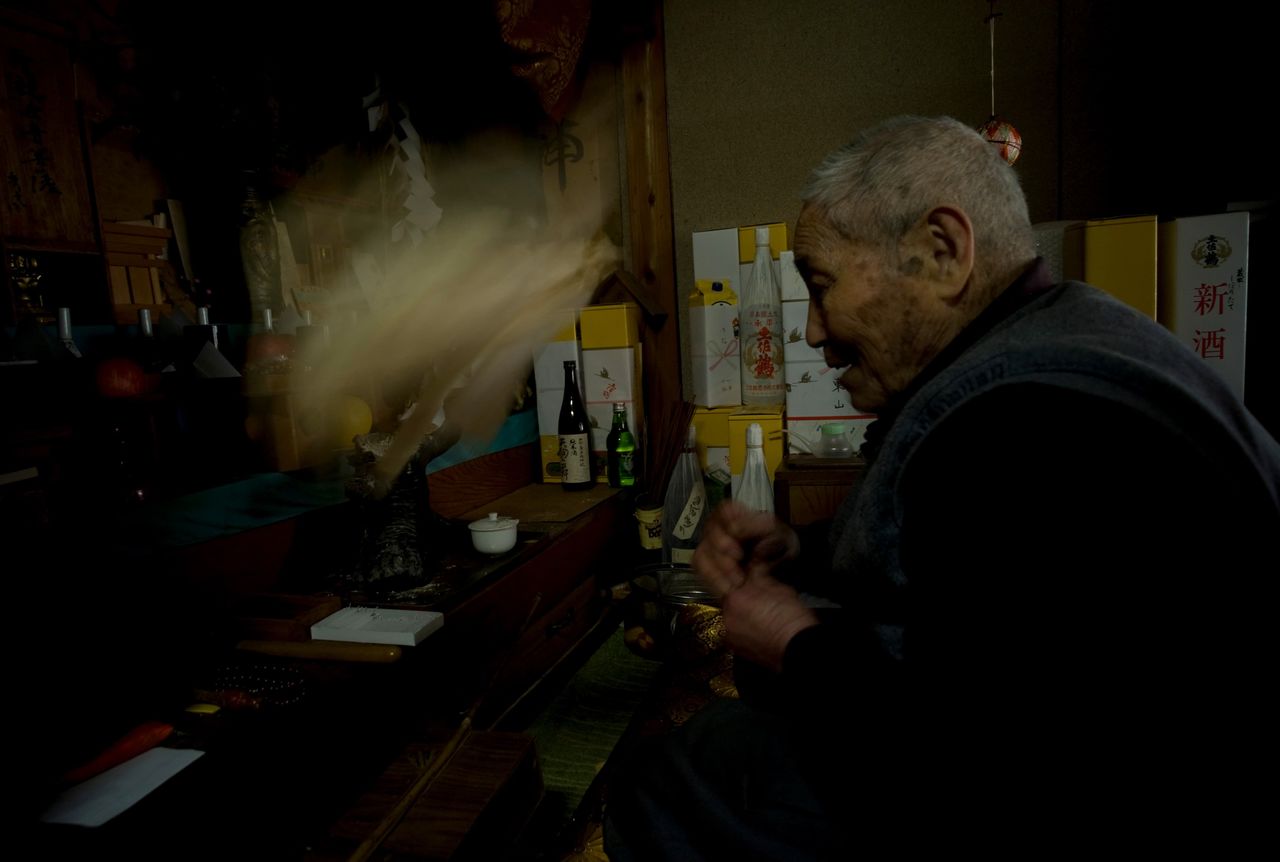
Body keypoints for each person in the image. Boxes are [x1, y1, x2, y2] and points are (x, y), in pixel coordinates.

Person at [602, 115, 1280, 859]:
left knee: (668, 780)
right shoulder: (1065, 329)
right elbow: (969, 567)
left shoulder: (1032, 422)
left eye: (821, 287)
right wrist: (804, 547)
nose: (813, 333)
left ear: (942, 252)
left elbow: (981, 763)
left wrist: (796, 644)